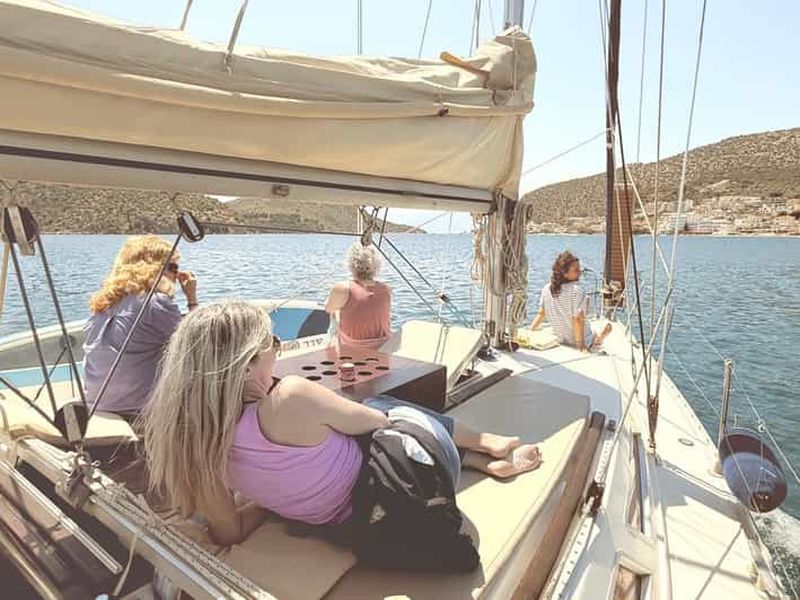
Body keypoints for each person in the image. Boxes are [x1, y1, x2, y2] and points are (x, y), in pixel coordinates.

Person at [142, 300, 543, 546]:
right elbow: (377, 422)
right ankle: (486, 442)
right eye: (273, 345)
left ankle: (476, 457)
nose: (276, 354)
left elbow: (229, 532)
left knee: (341, 426)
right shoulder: (289, 397)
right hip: (399, 494)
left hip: (338, 525)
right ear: (247, 365)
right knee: (383, 404)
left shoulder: (192, 445)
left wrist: (268, 499)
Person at [83, 235, 198, 418]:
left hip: (96, 406)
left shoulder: (103, 304)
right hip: (138, 411)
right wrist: (192, 298)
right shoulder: (154, 303)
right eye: (173, 268)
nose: (176, 275)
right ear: (155, 269)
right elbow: (198, 345)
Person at [529, 251, 611, 352]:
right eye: (576, 270)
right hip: (579, 340)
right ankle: (598, 339)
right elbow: (577, 319)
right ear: (565, 274)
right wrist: (581, 346)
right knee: (606, 328)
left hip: (560, 339)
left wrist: (530, 331)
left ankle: (598, 337)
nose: (580, 272)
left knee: (593, 329)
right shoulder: (577, 291)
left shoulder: (546, 289)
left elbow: (541, 313)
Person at [325, 242, 392, 349]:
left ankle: (331, 350)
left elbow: (329, 309)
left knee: (333, 314)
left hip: (353, 345)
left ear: (351, 264)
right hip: (382, 344)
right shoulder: (386, 289)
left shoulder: (342, 288)